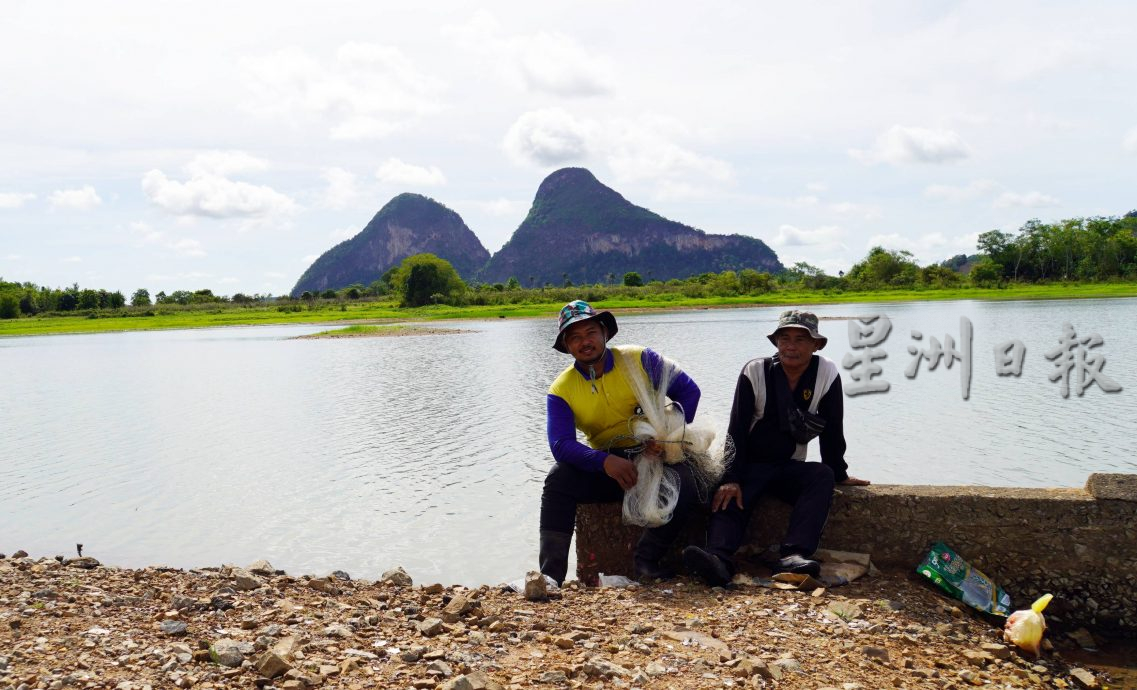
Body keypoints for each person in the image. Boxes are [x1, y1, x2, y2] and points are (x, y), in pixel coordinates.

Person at [684, 309, 870, 586]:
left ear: (816, 344)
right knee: (729, 494)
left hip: (788, 466)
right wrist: (731, 476)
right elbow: (736, 429)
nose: (791, 346)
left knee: (821, 476)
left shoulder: (827, 373)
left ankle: (794, 555)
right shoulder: (755, 371)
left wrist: (838, 471)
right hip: (750, 463)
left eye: (800, 339)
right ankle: (718, 560)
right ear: (776, 343)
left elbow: (832, 428)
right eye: (784, 339)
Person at [539, 300, 703, 585]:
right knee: (558, 479)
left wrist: (665, 437)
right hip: (610, 469)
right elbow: (560, 445)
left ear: (605, 333)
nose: (584, 342)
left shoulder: (641, 359)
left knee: (687, 481)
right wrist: (604, 462)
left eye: (590, 332)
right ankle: (550, 575)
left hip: (657, 454)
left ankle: (647, 560)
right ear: (566, 346)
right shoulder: (561, 389)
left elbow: (689, 392)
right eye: (574, 337)